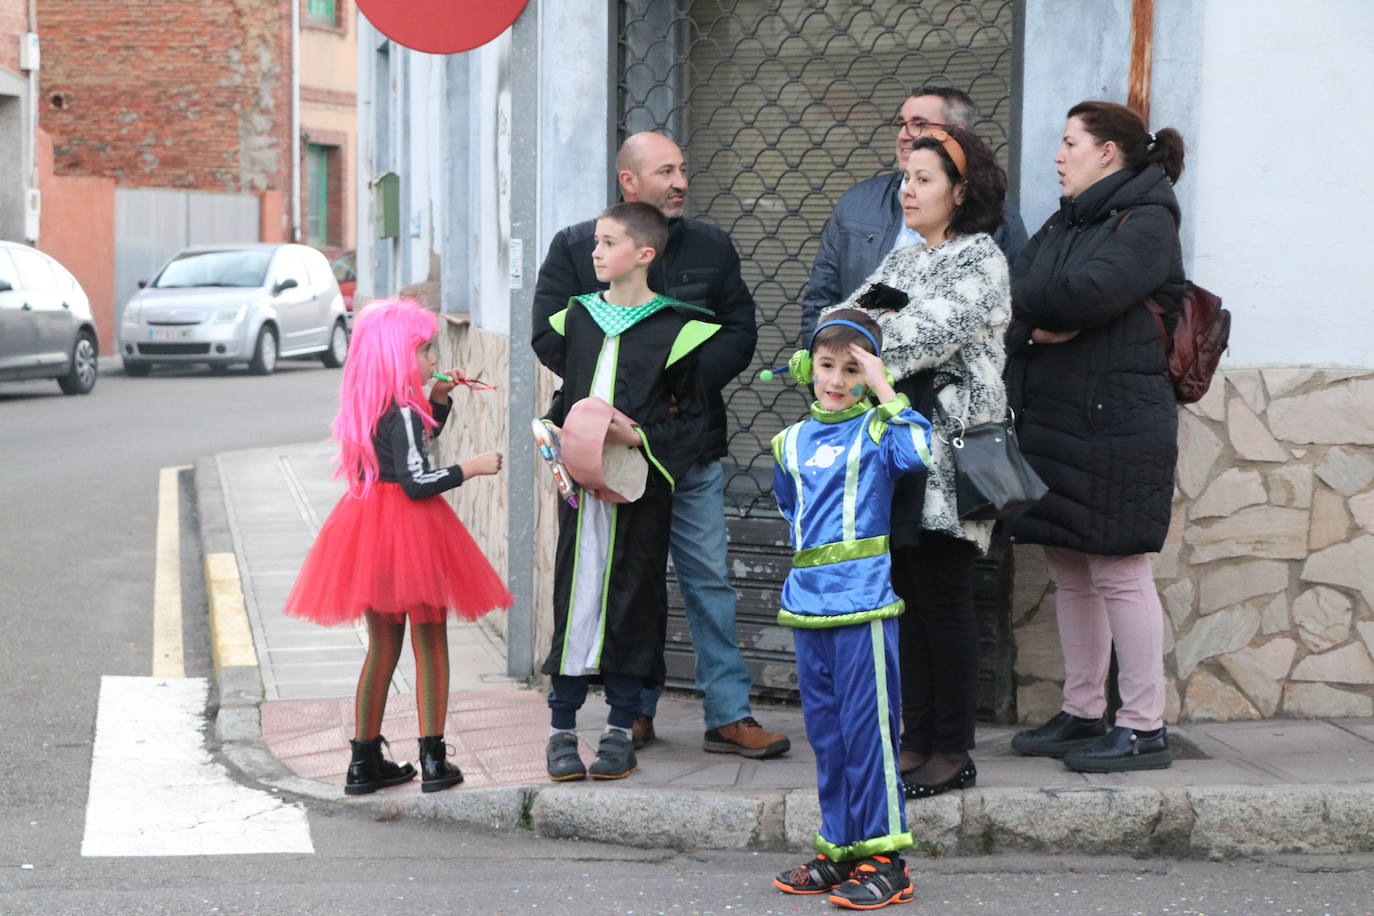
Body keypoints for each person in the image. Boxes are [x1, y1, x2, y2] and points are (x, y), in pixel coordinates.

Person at [532, 131, 790, 759]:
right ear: (630, 181)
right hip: (608, 458)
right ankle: (635, 711)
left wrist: (679, 381)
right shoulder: (577, 246)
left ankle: (728, 714)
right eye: (666, 171)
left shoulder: (710, 245)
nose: (680, 181)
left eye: (682, 169)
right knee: (622, 577)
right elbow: (548, 331)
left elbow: (739, 328)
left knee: (706, 581)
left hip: (686, 449)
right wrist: (611, 391)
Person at [821, 125, 1010, 799]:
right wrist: (858, 338)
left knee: (947, 600)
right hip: (896, 453)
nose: (909, 190)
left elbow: (916, 337)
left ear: (962, 191)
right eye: (907, 178)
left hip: (952, 456)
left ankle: (953, 748)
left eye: (925, 179)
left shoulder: (980, 258)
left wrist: (867, 339)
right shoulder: (902, 261)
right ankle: (915, 738)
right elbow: (837, 320)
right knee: (906, 598)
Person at [1005, 101, 1186, 773]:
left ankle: (1143, 725)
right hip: (1062, 418)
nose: (1058, 154)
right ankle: (1084, 713)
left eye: (1069, 141)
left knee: (1118, 566)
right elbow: (1020, 290)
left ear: (1108, 152)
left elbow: (1082, 296)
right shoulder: (1069, 218)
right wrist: (1033, 326)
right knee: (1069, 563)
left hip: (1118, 424)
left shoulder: (1147, 222)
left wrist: (1044, 310)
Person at [282, 299, 512, 795]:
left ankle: (363, 763)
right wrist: (469, 468)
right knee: (430, 643)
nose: (433, 359)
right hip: (412, 532)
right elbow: (417, 479)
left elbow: (405, 451)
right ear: (397, 356)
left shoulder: (368, 407)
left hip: (369, 530)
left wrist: (442, 400)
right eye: (426, 350)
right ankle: (433, 760)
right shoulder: (404, 414)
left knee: (382, 647)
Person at [538, 201, 720, 781]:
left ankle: (621, 727)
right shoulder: (578, 318)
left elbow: (693, 418)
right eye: (595, 241)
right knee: (575, 593)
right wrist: (553, 432)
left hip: (639, 489)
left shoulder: (678, 327)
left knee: (634, 598)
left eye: (608, 243)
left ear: (643, 255)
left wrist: (637, 435)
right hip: (581, 493)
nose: (595, 252)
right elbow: (568, 397)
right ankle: (561, 727)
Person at [769, 310, 931, 910]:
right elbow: (793, 510)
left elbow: (920, 454)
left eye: (852, 368)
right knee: (829, 737)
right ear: (810, 368)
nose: (837, 380)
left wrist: (886, 388)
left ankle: (887, 860)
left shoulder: (881, 431)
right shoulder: (787, 442)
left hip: (863, 606)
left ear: (869, 373)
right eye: (828, 366)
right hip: (806, 608)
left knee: (871, 735)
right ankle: (839, 848)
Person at [801, 86, 1027, 343]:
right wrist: (823, 363)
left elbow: (935, 339)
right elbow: (835, 306)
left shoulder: (982, 252)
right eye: (901, 123)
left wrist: (860, 357)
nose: (903, 134)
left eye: (919, 124)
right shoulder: (900, 258)